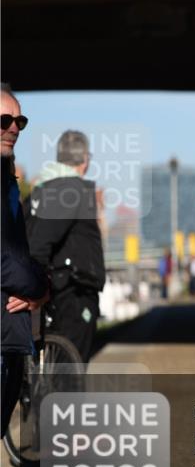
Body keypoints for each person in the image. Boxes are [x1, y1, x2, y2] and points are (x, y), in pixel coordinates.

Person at [27, 129, 106, 362]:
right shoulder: (69, 190)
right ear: (85, 159)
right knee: (70, 371)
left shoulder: (42, 190)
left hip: (54, 289)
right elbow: (41, 241)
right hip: (72, 290)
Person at [1, 84, 49, 439]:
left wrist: (37, 289)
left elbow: (17, 251)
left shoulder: (7, 175)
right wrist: (39, 285)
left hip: (9, 333)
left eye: (20, 120)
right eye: (4, 120)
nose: (14, 128)